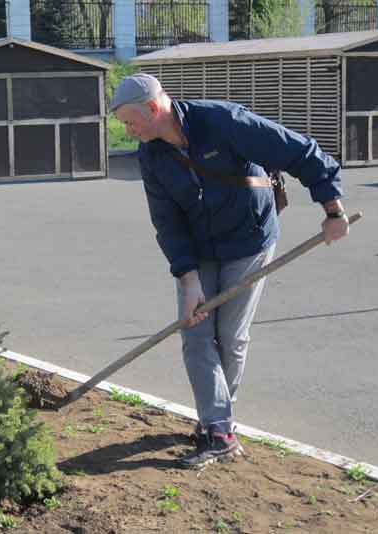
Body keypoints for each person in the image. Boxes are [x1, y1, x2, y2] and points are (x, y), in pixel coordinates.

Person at [109, 73, 350, 469]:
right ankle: (219, 427)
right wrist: (187, 278)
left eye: (130, 121)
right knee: (195, 331)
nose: (127, 130)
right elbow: (166, 219)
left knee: (229, 336)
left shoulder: (223, 121)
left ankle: (217, 428)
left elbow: (300, 151)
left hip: (248, 240)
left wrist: (332, 210)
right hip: (200, 247)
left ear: (154, 108)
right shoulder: (150, 153)